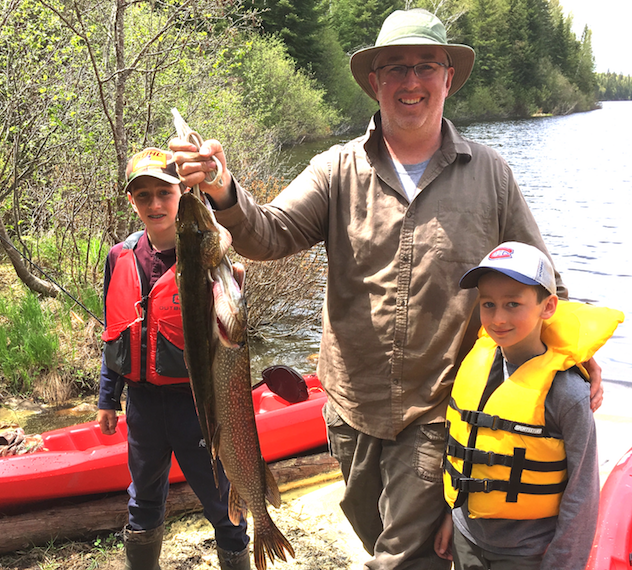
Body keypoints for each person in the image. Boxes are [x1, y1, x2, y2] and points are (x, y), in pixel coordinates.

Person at [168, 9, 602, 569]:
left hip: (437, 408)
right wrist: (225, 190)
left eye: (426, 66)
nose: (411, 81)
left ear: (448, 78)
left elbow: (541, 274)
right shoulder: (336, 168)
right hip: (349, 409)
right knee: (376, 537)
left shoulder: (491, 173)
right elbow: (268, 234)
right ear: (375, 82)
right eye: (395, 68)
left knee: (400, 560)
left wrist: (574, 354)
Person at [96, 147, 251, 570]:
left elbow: (231, 330)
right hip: (143, 407)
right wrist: (108, 398)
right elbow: (114, 332)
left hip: (195, 404)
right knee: (143, 500)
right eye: (142, 195)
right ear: (132, 202)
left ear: (182, 193)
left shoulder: (207, 259)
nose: (154, 204)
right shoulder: (119, 256)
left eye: (163, 193)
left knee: (221, 501)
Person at [437, 242, 622, 569]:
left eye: (513, 304)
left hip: (527, 553)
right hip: (468, 537)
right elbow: (465, 451)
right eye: (488, 304)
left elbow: (582, 495)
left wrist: (561, 563)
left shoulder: (567, 393)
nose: (498, 318)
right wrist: (453, 516)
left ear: (548, 306)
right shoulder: (477, 361)